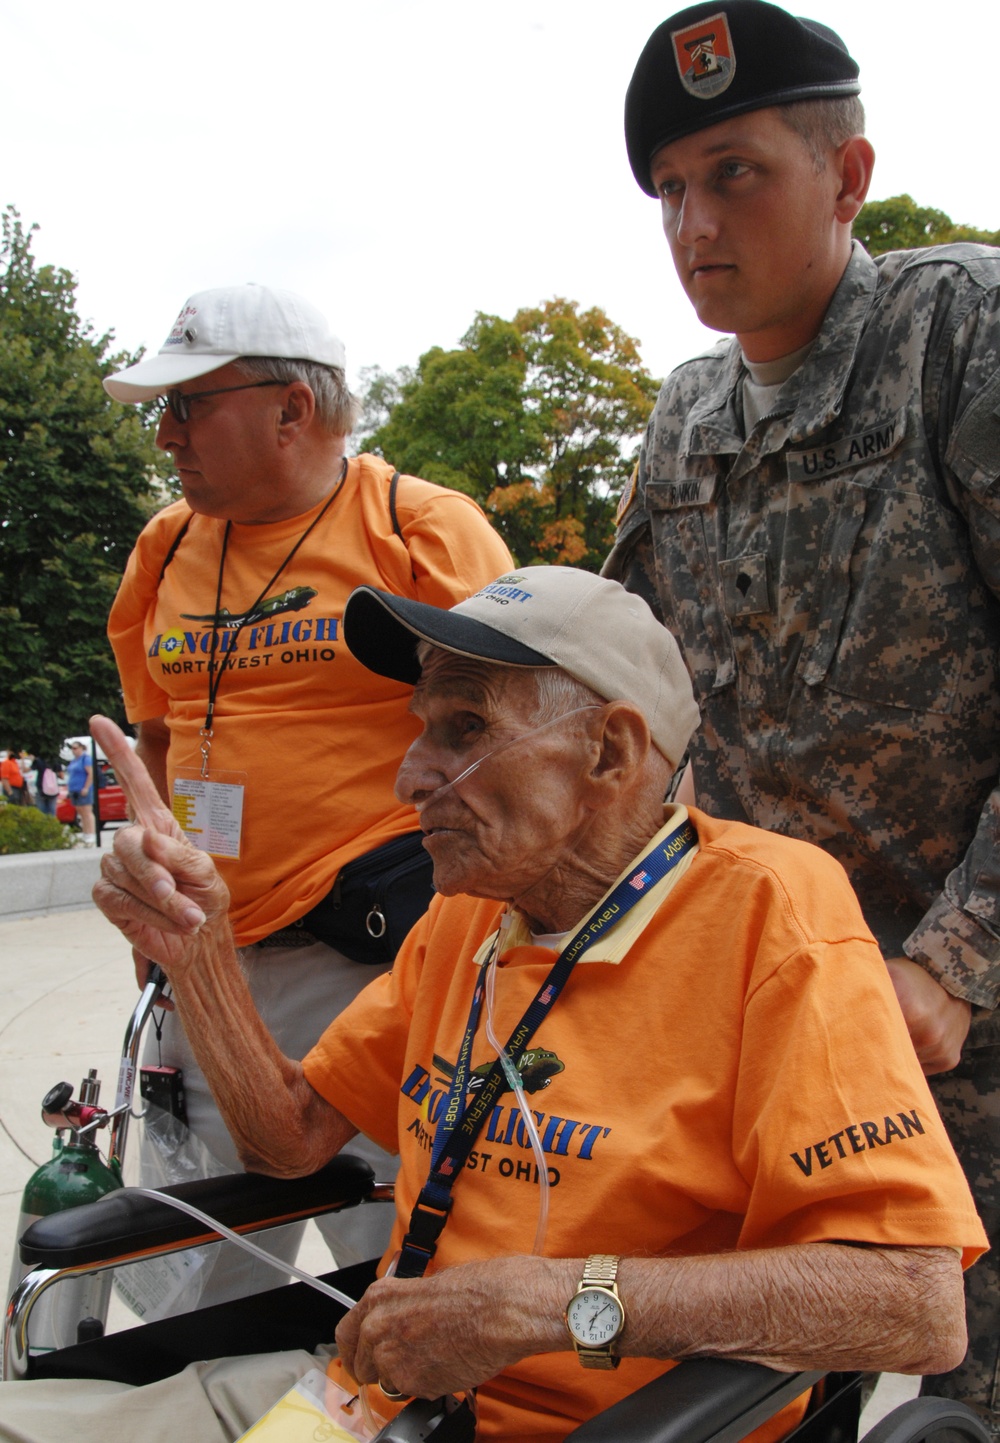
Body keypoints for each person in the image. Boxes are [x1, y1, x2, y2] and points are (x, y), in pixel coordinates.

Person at [0, 567, 984, 1443]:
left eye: (464, 729)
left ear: (608, 753)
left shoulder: (772, 914)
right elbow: (290, 1142)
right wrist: (201, 955)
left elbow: (911, 1303)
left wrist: (555, 1305)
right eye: (419, 728)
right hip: (358, 1399)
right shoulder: (469, 913)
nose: (408, 776)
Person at [602, 3, 1000, 1433]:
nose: (694, 221)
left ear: (849, 177)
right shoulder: (686, 412)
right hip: (774, 1026)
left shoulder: (960, 329)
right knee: (761, 1390)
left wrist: (960, 958)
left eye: (735, 172)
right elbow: (621, 702)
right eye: (669, 190)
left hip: (970, 1025)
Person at [102, 283, 512, 1291]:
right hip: (210, 963)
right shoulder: (165, 547)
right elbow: (155, 732)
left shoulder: (420, 529)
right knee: (191, 1280)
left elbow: (523, 744)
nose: (165, 434)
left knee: (410, 1274)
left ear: (292, 408)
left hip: (377, 961)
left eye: (190, 404)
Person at [64, 740, 95, 843]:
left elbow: (90, 774)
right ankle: (85, 833)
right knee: (80, 812)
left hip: (83, 789)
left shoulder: (86, 759)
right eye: (72, 748)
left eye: (75, 748)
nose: (73, 750)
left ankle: (91, 833)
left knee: (87, 812)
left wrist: (86, 787)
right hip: (74, 790)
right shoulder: (74, 761)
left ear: (81, 748)